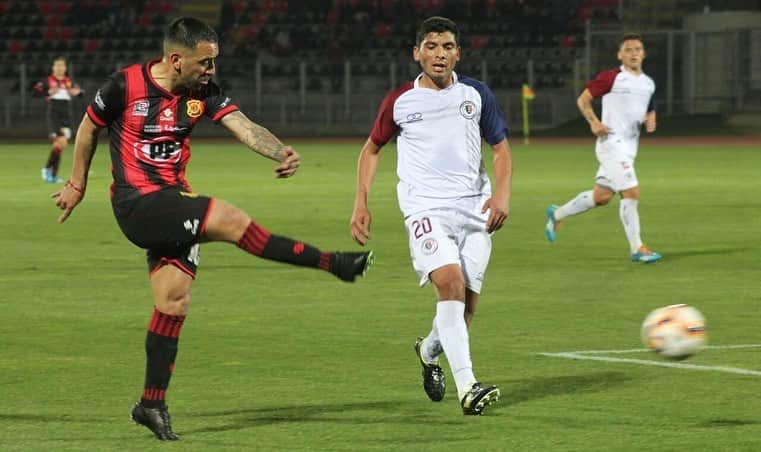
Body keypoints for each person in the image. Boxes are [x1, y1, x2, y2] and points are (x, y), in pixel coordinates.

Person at [52, 17, 373, 441]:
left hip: (173, 201)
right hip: (137, 203)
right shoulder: (124, 86)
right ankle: (332, 263)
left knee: (173, 302)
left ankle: (150, 404)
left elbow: (244, 126)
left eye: (213, 61)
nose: (211, 70)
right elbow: (89, 127)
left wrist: (280, 150)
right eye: (205, 62)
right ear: (176, 59)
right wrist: (77, 184)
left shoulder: (202, 93)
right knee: (231, 220)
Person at [349, 16, 511, 415]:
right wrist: (361, 201)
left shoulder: (476, 94)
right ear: (417, 53)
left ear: (458, 53)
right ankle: (468, 388)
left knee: (465, 307)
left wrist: (501, 195)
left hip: (476, 210)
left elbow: (501, 149)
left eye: (448, 47)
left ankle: (428, 350)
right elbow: (371, 150)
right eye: (432, 46)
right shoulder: (400, 101)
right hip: (425, 209)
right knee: (450, 285)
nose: (440, 54)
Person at [545, 33, 661, 263]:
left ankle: (556, 214)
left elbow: (650, 106)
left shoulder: (648, 83)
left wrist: (651, 117)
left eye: (637, 49)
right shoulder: (612, 77)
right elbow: (583, 100)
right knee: (631, 192)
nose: (633, 53)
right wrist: (594, 122)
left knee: (602, 196)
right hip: (611, 144)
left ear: (643, 53)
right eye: (628, 49)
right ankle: (637, 248)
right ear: (620, 55)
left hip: (629, 148)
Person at [36, 56, 82, 183]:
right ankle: (46, 169)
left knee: (60, 145)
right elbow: (36, 91)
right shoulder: (48, 80)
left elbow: (80, 92)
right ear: (53, 67)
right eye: (57, 65)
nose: (60, 68)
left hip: (66, 115)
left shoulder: (69, 81)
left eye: (62, 65)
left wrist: (77, 92)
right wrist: (48, 92)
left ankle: (53, 175)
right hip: (54, 114)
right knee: (60, 141)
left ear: (65, 68)